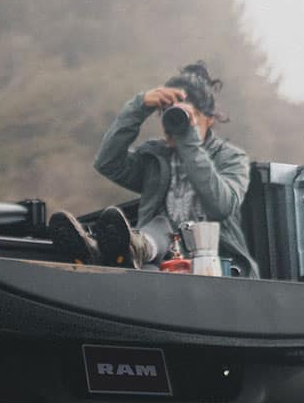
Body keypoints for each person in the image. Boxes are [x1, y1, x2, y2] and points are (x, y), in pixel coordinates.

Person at [50, 62, 257, 277]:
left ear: (209, 119)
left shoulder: (231, 158)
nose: (174, 124)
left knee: (161, 225)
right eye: (169, 115)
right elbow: (108, 163)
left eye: (185, 116)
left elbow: (220, 207)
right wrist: (138, 107)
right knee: (155, 232)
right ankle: (102, 251)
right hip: (158, 262)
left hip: (213, 265)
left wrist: (189, 143)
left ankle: (122, 248)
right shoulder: (155, 156)